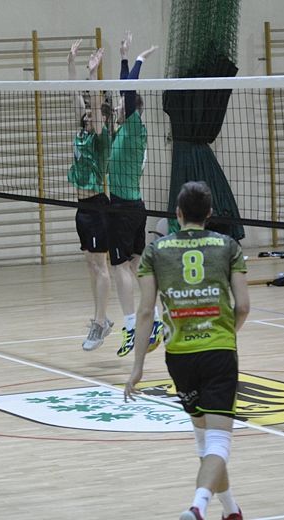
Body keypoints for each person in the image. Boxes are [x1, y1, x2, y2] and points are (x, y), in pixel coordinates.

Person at [124, 181, 249, 520]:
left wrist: (137, 367)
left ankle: (232, 512)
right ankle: (198, 507)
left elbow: (146, 312)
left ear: (177, 214)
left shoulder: (156, 250)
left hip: (178, 355)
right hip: (219, 350)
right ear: (209, 214)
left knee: (203, 440)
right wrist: (225, 334)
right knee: (219, 443)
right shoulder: (227, 246)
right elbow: (244, 306)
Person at [106, 31, 162, 357]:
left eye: (120, 104)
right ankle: (153, 320)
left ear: (131, 108)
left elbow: (127, 90)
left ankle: (130, 327)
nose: (115, 106)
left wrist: (135, 59)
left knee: (120, 268)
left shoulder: (134, 125)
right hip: (133, 206)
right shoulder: (125, 131)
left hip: (124, 207)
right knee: (138, 266)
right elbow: (124, 91)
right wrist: (124, 56)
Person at [66, 41, 114, 351]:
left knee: (101, 266)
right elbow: (75, 96)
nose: (86, 113)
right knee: (90, 265)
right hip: (81, 208)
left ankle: (101, 322)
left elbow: (94, 106)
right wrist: (71, 64)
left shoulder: (101, 136)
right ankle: (101, 319)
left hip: (97, 207)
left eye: (92, 112)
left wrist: (95, 74)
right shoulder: (81, 131)